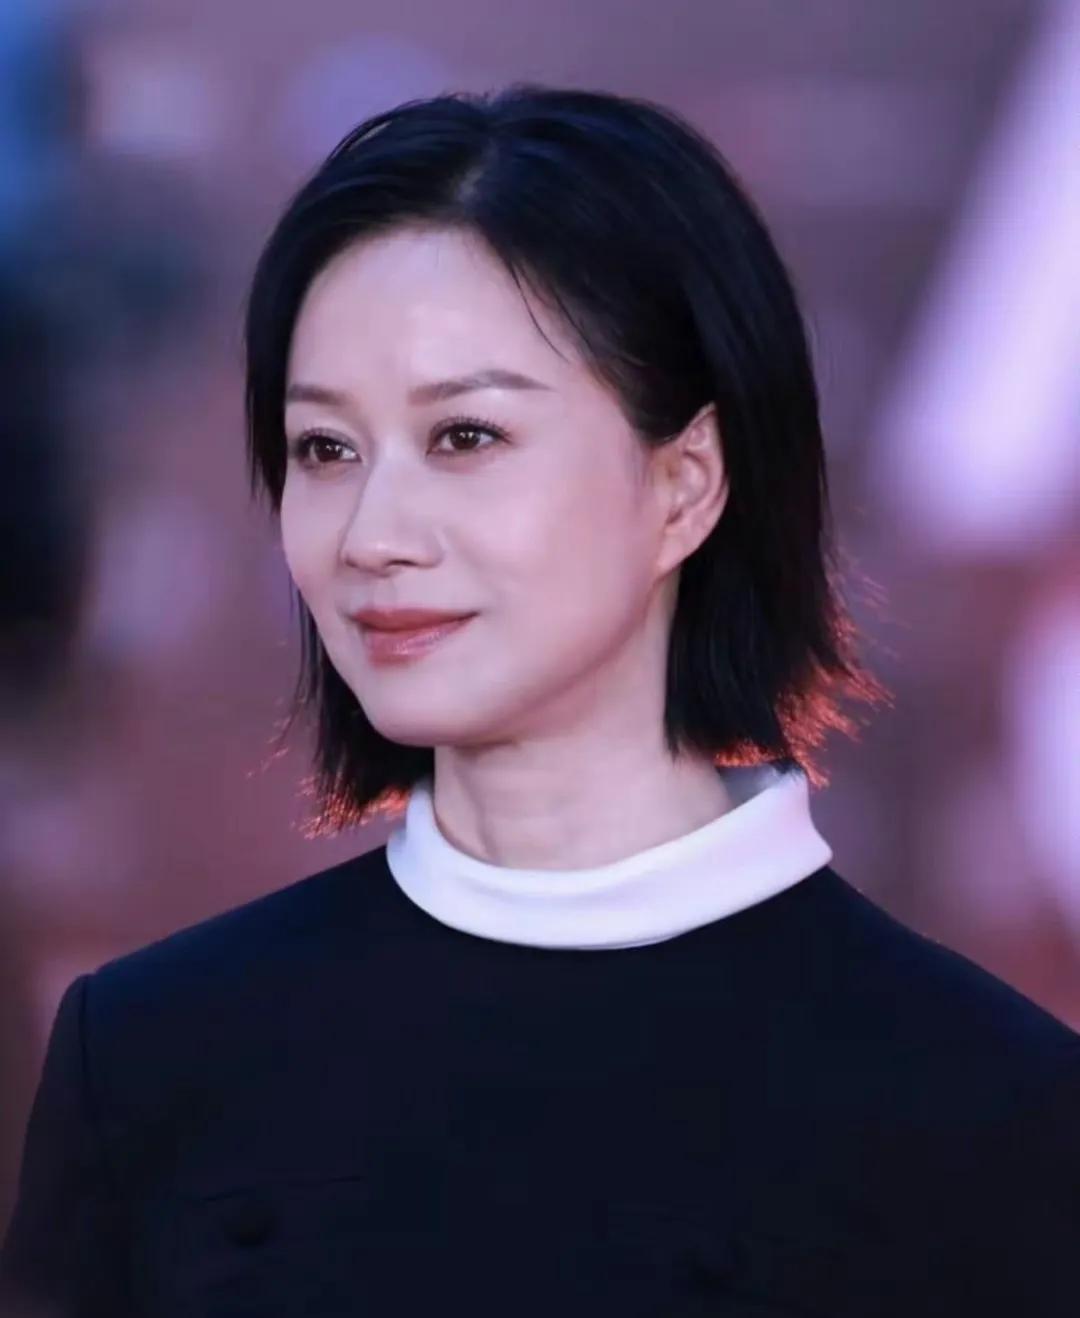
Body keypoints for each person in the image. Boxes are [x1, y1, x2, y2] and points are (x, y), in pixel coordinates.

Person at [2, 83, 1077, 1318]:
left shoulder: (993, 1109)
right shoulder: (150, 1057)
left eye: (465, 437)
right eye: (325, 450)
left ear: (686, 482)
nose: (373, 533)